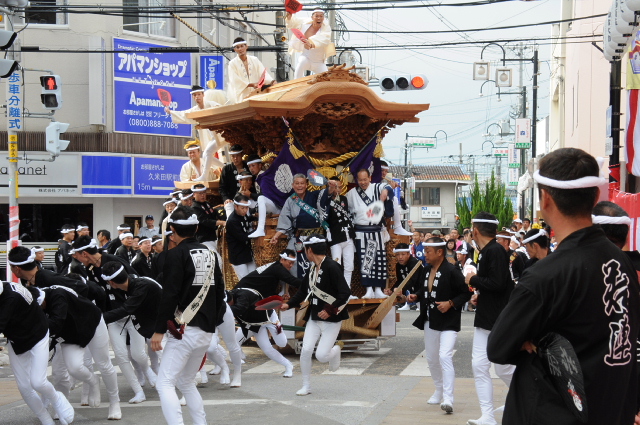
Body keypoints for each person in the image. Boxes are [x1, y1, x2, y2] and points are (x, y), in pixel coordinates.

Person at [487, 148, 640, 425]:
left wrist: (535, 342)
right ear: (594, 197)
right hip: (612, 409)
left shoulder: (545, 275)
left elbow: (498, 347)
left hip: (554, 412)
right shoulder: (624, 263)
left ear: (545, 198)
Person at [150, 206, 225, 425]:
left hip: (184, 329)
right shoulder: (211, 254)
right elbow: (220, 293)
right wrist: (211, 324)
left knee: (164, 383)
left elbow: (170, 295)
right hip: (206, 331)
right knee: (186, 382)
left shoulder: (175, 255)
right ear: (197, 228)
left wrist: (158, 330)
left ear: (172, 230)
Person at [3, 251, 75, 425]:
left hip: (38, 335)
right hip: (16, 340)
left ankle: (57, 398)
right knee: (24, 387)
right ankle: (45, 419)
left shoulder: (11, 296)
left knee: (38, 382)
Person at [407, 237, 471, 414]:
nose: (425, 254)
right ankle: (439, 389)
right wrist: (416, 296)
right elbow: (424, 290)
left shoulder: (451, 271)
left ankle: (448, 398)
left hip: (449, 322)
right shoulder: (426, 269)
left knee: (444, 356)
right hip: (430, 320)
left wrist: (450, 303)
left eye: (428, 251)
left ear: (439, 252)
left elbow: (465, 293)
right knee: (431, 358)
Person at [280, 235, 350, 396]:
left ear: (309, 250)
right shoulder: (312, 268)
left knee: (322, 356)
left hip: (332, 320)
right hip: (314, 318)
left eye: (305, 250)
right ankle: (306, 385)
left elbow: (345, 293)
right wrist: (288, 304)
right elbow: (303, 291)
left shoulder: (332, 267)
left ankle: (335, 350)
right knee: (305, 350)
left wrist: (330, 310)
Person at [464, 212, 515, 425]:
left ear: (475, 230)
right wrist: (479, 295)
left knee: (503, 367)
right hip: (486, 317)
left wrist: (473, 279)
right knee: (479, 365)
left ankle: (523, 398)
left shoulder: (495, 251)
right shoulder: (487, 251)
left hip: (498, 319)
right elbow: (494, 285)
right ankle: (487, 415)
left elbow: (498, 283)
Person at [102, 261, 161, 404]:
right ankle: (138, 391)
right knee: (121, 356)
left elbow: (127, 309)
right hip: (113, 321)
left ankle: (152, 374)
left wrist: (97, 318)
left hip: (140, 320)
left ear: (111, 281)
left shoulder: (140, 285)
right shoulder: (98, 282)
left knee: (138, 354)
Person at [346, 169, 393, 299]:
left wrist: (385, 192)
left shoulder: (377, 187)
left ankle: (378, 289)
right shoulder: (352, 193)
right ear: (357, 180)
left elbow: (389, 187)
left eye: (365, 179)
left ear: (370, 178)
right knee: (366, 261)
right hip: (361, 232)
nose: (363, 182)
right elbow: (346, 209)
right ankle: (368, 290)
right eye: (360, 180)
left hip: (376, 231)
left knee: (378, 260)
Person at [229, 284, 293, 378]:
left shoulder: (243, 295)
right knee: (266, 348)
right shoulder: (230, 300)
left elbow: (239, 308)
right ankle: (288, 365)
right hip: (253, 324)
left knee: (282, 343)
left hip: (269, 317)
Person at [270, 173, 325, 278]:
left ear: (306, 185)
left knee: (315, 261)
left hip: (315, 237)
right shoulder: (290, 200)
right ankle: (296, 284)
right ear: (293, 185)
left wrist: (331, 185)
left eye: (302, 183)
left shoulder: (315, 196)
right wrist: (276, 236)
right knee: (288, 258)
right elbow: (285, 220)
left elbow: (327, 195)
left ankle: (315, 285)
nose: (300, 186)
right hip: (298, 236)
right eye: (297, 183)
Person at [167, 86, 225, 182]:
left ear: (203, 95)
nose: (197, 97)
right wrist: (171, 112)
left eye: (199, 94)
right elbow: (184, 114)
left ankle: (206, 175)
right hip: (213, 138)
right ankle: (226, 167)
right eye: (195, 95)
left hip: (221, 135)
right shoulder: (195, 110)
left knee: (207, 154)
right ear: (193, 97)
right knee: (206, 155)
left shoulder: (212, 104)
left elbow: (222, 110)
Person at [324, 176, 356, 296]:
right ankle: (337, 292)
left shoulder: (344, 199)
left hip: (348, 236)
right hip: (335, 237)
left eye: (340, 187)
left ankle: (347, 291)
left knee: (349, 265)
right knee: (336, 266)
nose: (338, 189)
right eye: (335, 187)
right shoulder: (325, 200)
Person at [286, 8, 334, 79]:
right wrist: (289, 17)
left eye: (321, 16)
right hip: (306, 58)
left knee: (327, 79)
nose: (319, 18)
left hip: (319, 62)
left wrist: (311, 44)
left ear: (323, 18)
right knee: (301, 64)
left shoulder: (326, 28)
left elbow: (325, 40)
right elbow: (293, 23)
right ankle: (296, 83)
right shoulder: (304, 24)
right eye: (316, 16)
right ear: (312, 17)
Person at [227, 37, 274, 104]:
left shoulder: (255, 60)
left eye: (242, 46)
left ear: (246, 46)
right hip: (242, 96)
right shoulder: (232, 63)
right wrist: (251, 84)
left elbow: (263, 73)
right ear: (235, 49)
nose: (240, 49)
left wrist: (272, 81)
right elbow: (234, 80)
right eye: (237, 47)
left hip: (257, 94)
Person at [247, 154, 282, 238]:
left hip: (277, 207)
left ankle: (260, 229)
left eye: (253, 165)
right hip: (268, 206)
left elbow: (266, 195)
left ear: (260, 165)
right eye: (249, 166)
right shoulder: (258, 177)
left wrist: (250, 194)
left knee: (261, 198)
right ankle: (249, 227)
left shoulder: (265, 177)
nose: (251, 168)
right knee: (246, 202)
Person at [226, 194, 257, 280]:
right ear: (236, 207)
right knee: (245, 280)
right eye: (242, 208)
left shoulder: (243, 215)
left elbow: (247, 220)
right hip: (238, 256)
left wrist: (255, 217)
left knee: (254, 277)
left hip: (247, 253)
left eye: (246, 208)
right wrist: (257, 232)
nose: (245, 210)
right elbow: (242, 237)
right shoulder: (232, 221)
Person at [385, 242, 424, 311]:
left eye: (403, 254)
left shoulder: (414, 263)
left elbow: (412, 280)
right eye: (398, 254)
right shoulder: (398, 265)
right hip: (415, 292)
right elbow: (400, 280)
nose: (400, 257)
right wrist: (392, 290)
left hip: (423, 290)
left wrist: (400, 289)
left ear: (408, 254)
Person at [380, 161, 413, 236]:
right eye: (382, 170)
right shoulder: (373, 180)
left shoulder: (383, 181)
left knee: (394, 199)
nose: (384, 173)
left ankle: (398, 227)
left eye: (386, 171)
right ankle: (397, 227)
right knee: (393, 199)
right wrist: (390, 187)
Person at [191, 183, 225, 252]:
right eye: (200, 193)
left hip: (213, 237)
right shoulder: (195, 207)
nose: (202, 195)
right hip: (203, 239)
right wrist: (222, 222)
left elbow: (214, 213)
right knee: (215, 257)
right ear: (194, 194)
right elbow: (204, 221)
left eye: (204, 192)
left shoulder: (207, 204)